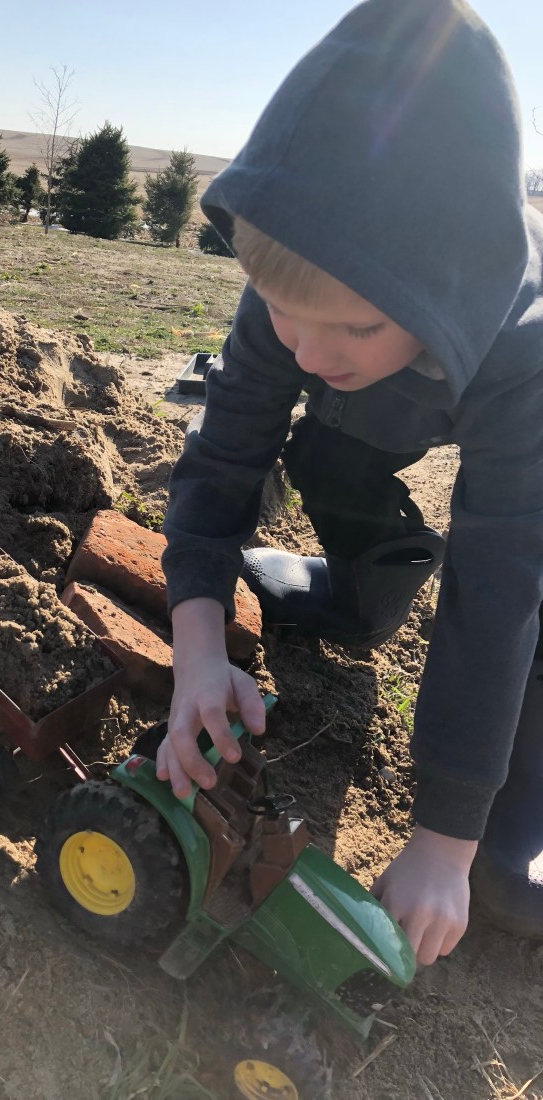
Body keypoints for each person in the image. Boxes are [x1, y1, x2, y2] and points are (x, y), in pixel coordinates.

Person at [158, 0, 543, 968]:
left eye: (353, 326)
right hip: (411, 379)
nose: (307, 349)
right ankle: (364, 596)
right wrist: (197, 653)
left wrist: (445, 838)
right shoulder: (298, 303)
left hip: (524, 429)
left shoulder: (522, 355)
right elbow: (222, 461)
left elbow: (497, 587)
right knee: (327, 440)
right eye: (282, 312)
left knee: (499, 877)